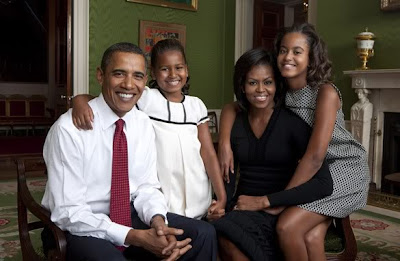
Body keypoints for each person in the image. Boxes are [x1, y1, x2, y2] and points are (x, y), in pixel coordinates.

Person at [41, 42, 217, 261]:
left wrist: (158, 222)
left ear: (145, 81)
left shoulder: (142, 123)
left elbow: (146, 186)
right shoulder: (69, 129)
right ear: (100, 75)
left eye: (137, 76)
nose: (128, 84)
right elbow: (69, 212)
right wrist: (137, 237)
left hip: (128, 214)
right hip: (79, 226)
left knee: (203, 234)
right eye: (119, 74)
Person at [218, 23, 370, 261]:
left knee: (287, 226)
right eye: (283, 50)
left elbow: (315, 157)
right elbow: (234, 106)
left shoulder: (325, 93)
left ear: (311, 58)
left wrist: (278, 201)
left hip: (343, 168)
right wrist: (225, 142)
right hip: (317, 172)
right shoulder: (281, 90)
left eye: (297, 52)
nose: (288, 57)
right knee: (311, 237)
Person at [72, 39, 226, 221]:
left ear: (187, 70)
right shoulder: (146, 98)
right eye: (164, 69)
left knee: (199, 233)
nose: (172, 74)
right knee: (169, 228)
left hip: (197, 187)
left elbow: (208, 153)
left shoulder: (196, 106)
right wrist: (78, 100)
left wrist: (221, 197)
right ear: (152, 72)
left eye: (179, 68)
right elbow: (107, 100)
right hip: (162, 190)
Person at [213, 48, 333, 261]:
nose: (261, 90)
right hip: (242, 206)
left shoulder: (292, 123)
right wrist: (220, 203)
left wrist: (268, 201)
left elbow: (323, 183)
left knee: (228, 235)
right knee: (219, 231)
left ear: (277, 84)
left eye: (268, 82)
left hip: (277, 209)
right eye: (252, 83)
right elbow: (228, 173)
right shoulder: (236, 121)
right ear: (241, 85)